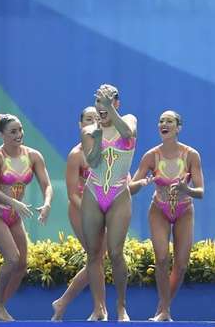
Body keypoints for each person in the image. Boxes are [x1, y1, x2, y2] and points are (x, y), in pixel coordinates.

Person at [130, 110, 204, 321]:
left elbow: (200, 192)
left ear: (178, 127)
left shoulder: (191, 155)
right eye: (161, 121)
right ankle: (165, 312)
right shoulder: (151, 156)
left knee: (180, 265)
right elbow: (131, 187)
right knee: (162, 259)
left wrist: (186, 190)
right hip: (159, 209)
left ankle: (163, 308)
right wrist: (141, 183)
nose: (164, 124)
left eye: (169, 121)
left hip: (184, 210)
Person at [0, 113, 53, 321]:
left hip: (14, 216)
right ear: (2, 134)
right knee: (12, 258)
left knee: (21, 265)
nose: (19, 134)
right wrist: (14, 202)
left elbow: (46, 185)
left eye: (20, 130)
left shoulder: (33, 156)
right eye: (13, 131)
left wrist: (47, 203)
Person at [80, 84, 137, 321]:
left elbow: (128, 135)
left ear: (116, 103)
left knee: (115, 252)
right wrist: (99, 136)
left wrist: (110, 110)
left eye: (106, 102)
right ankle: (98, 307)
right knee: (93, 253)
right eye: (98, 103)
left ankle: (121, 306)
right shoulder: (89, 130)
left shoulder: (129, 119)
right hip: (93, 192)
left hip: (118, 193)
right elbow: (92, 163)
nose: (101, 108)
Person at [51, 106, 107, 320]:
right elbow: (72, 193)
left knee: (98, 258)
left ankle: (63, 302)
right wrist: (89, 212)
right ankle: (98, 308)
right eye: (88, 119)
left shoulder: (107, 150)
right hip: (80, 209)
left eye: (96, 118)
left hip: (103, 209)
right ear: (80, 125)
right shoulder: (76, 155)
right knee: (95, 257)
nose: (93, 122)